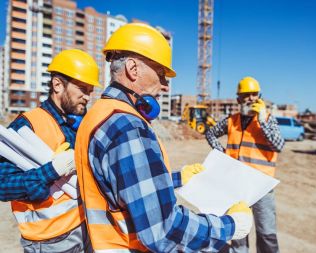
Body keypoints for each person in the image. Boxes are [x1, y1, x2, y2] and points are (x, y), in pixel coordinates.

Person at [75, 23, 253, 252]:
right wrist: (230, 226)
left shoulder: (99, 113)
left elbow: (122, 185)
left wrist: (177, 178)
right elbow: (163, 230)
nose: (166, 86)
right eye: (161, 74)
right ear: (133, 69)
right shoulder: (127, 127)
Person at [0, 49, 100, 252]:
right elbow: (3, 185)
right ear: (57, 85)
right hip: (49, 241)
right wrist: (52, 170)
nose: (87, 97)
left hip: (87, 229)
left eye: (90, 90)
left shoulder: (80, 124)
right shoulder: (25, 126)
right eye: (82, 88)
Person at [205, 76, 285, 253]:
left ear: (260, 96)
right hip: (237, 185)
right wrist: (222, 154)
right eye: (246, 95)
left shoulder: (268, 120)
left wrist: (262, 119)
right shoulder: (231, 121)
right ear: (238, 99)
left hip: (261, 186)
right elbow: (210, 133)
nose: (250, 98)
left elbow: (279, 145)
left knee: (266, 232)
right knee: (239, 229)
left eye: (254, 94)